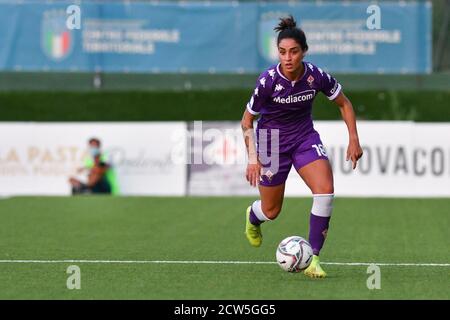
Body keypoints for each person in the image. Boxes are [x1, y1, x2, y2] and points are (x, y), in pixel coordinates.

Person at [241, 16, 363, 278]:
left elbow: (344, 103)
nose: (288, 58)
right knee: (272, 211)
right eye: (283, 52)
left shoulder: (315, 76)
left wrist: (353, 138)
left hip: (304, 138)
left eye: (294, 52)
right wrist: (253, 158)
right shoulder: (268, 82)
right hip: (271, 143)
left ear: (303, 52)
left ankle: (314, 259)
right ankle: (253, 216)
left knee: (325, 191)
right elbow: (246, 120)